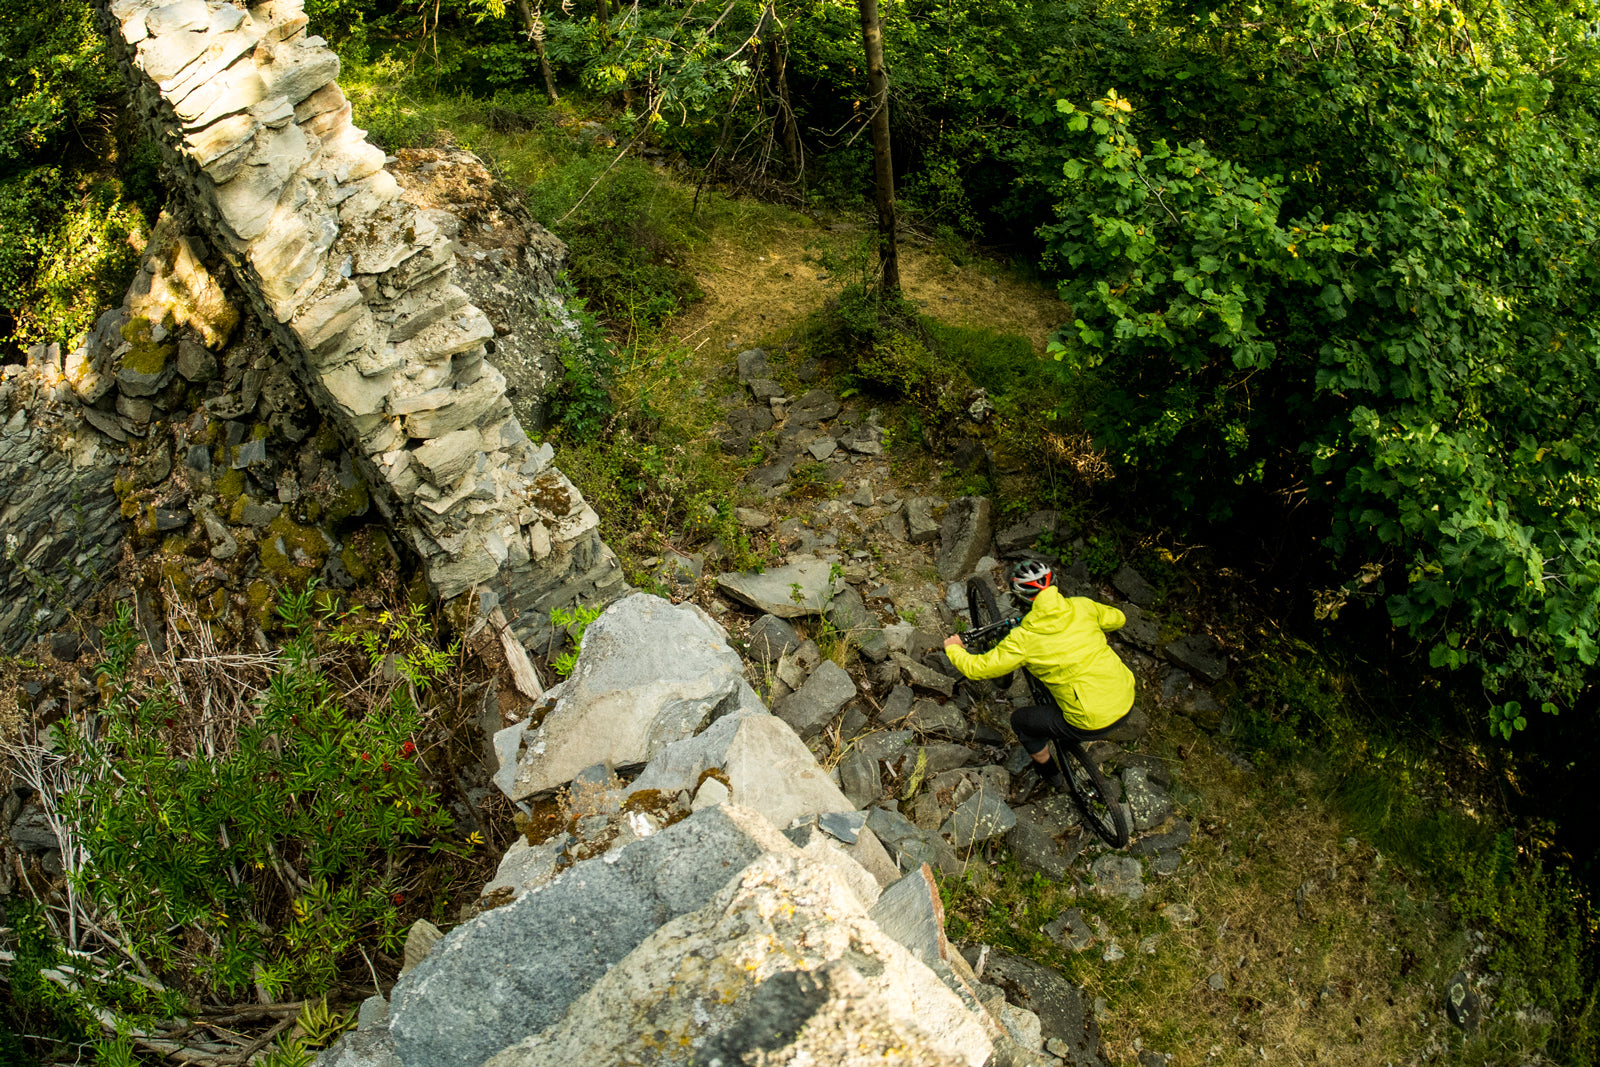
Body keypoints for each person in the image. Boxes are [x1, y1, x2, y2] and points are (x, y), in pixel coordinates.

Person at [943, 560, 1136, 791]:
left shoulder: (1024, 638)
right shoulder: (1083, 606)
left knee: (1021, 721)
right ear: (1053, 583)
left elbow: (978, 668)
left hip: (1091, 720)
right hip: (1126, 696)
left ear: (1019, 597)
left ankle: (1052, 776)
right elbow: (1118, 619)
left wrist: (954, 648)